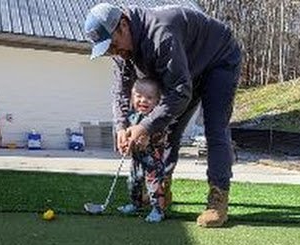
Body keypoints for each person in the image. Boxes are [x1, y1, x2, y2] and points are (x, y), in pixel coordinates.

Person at [84, 3, 242, 227]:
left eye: (113, 45)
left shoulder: (160, 34)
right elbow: (121, 91)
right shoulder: (121, 51)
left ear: (123, 25)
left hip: (218, 60)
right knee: (169, 128)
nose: (113, 52)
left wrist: (145, 126)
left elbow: (180, 92)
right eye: (107, 50)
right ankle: (161, 187)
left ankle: (218, 199)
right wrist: (120, 126)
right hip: (185, 67)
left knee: (215, 128)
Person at [117, 78, 169, 223]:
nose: (143, 100)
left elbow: (161, 136)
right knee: (133, 182)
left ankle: (158, 210)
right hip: (136, 159)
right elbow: (127, 133)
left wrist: (149, 137)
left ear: (157, 101)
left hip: (153, 160)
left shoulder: (157, 119)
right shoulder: (132, 116)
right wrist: (126, 143)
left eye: (149, 97)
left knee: (154, 185)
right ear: (133, 98)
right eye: (139, 96)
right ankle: (135, 204)